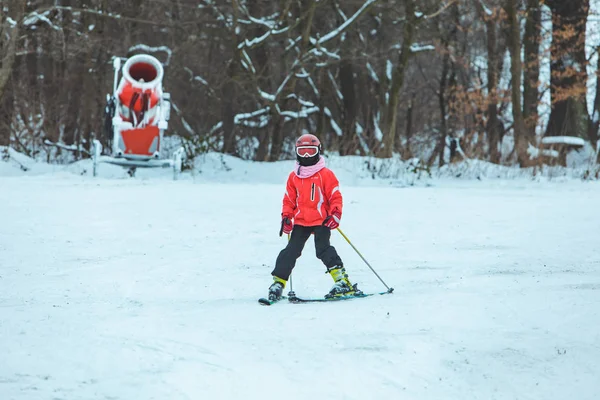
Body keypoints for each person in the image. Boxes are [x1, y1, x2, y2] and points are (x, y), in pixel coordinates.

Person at [267, 133, 362, 301]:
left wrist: (335, 213)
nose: (306, 155)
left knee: (323, 249)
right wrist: (286, 217)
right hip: (301, 221)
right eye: (302, 151)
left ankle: (342, 281)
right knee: (291, 251)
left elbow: (335, 196)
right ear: (296, 152)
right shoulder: (294, 177)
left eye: (310, 151)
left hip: (321, 220)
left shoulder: (325, 174)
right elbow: (288, 200)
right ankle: (278, 283)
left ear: (318, 151)